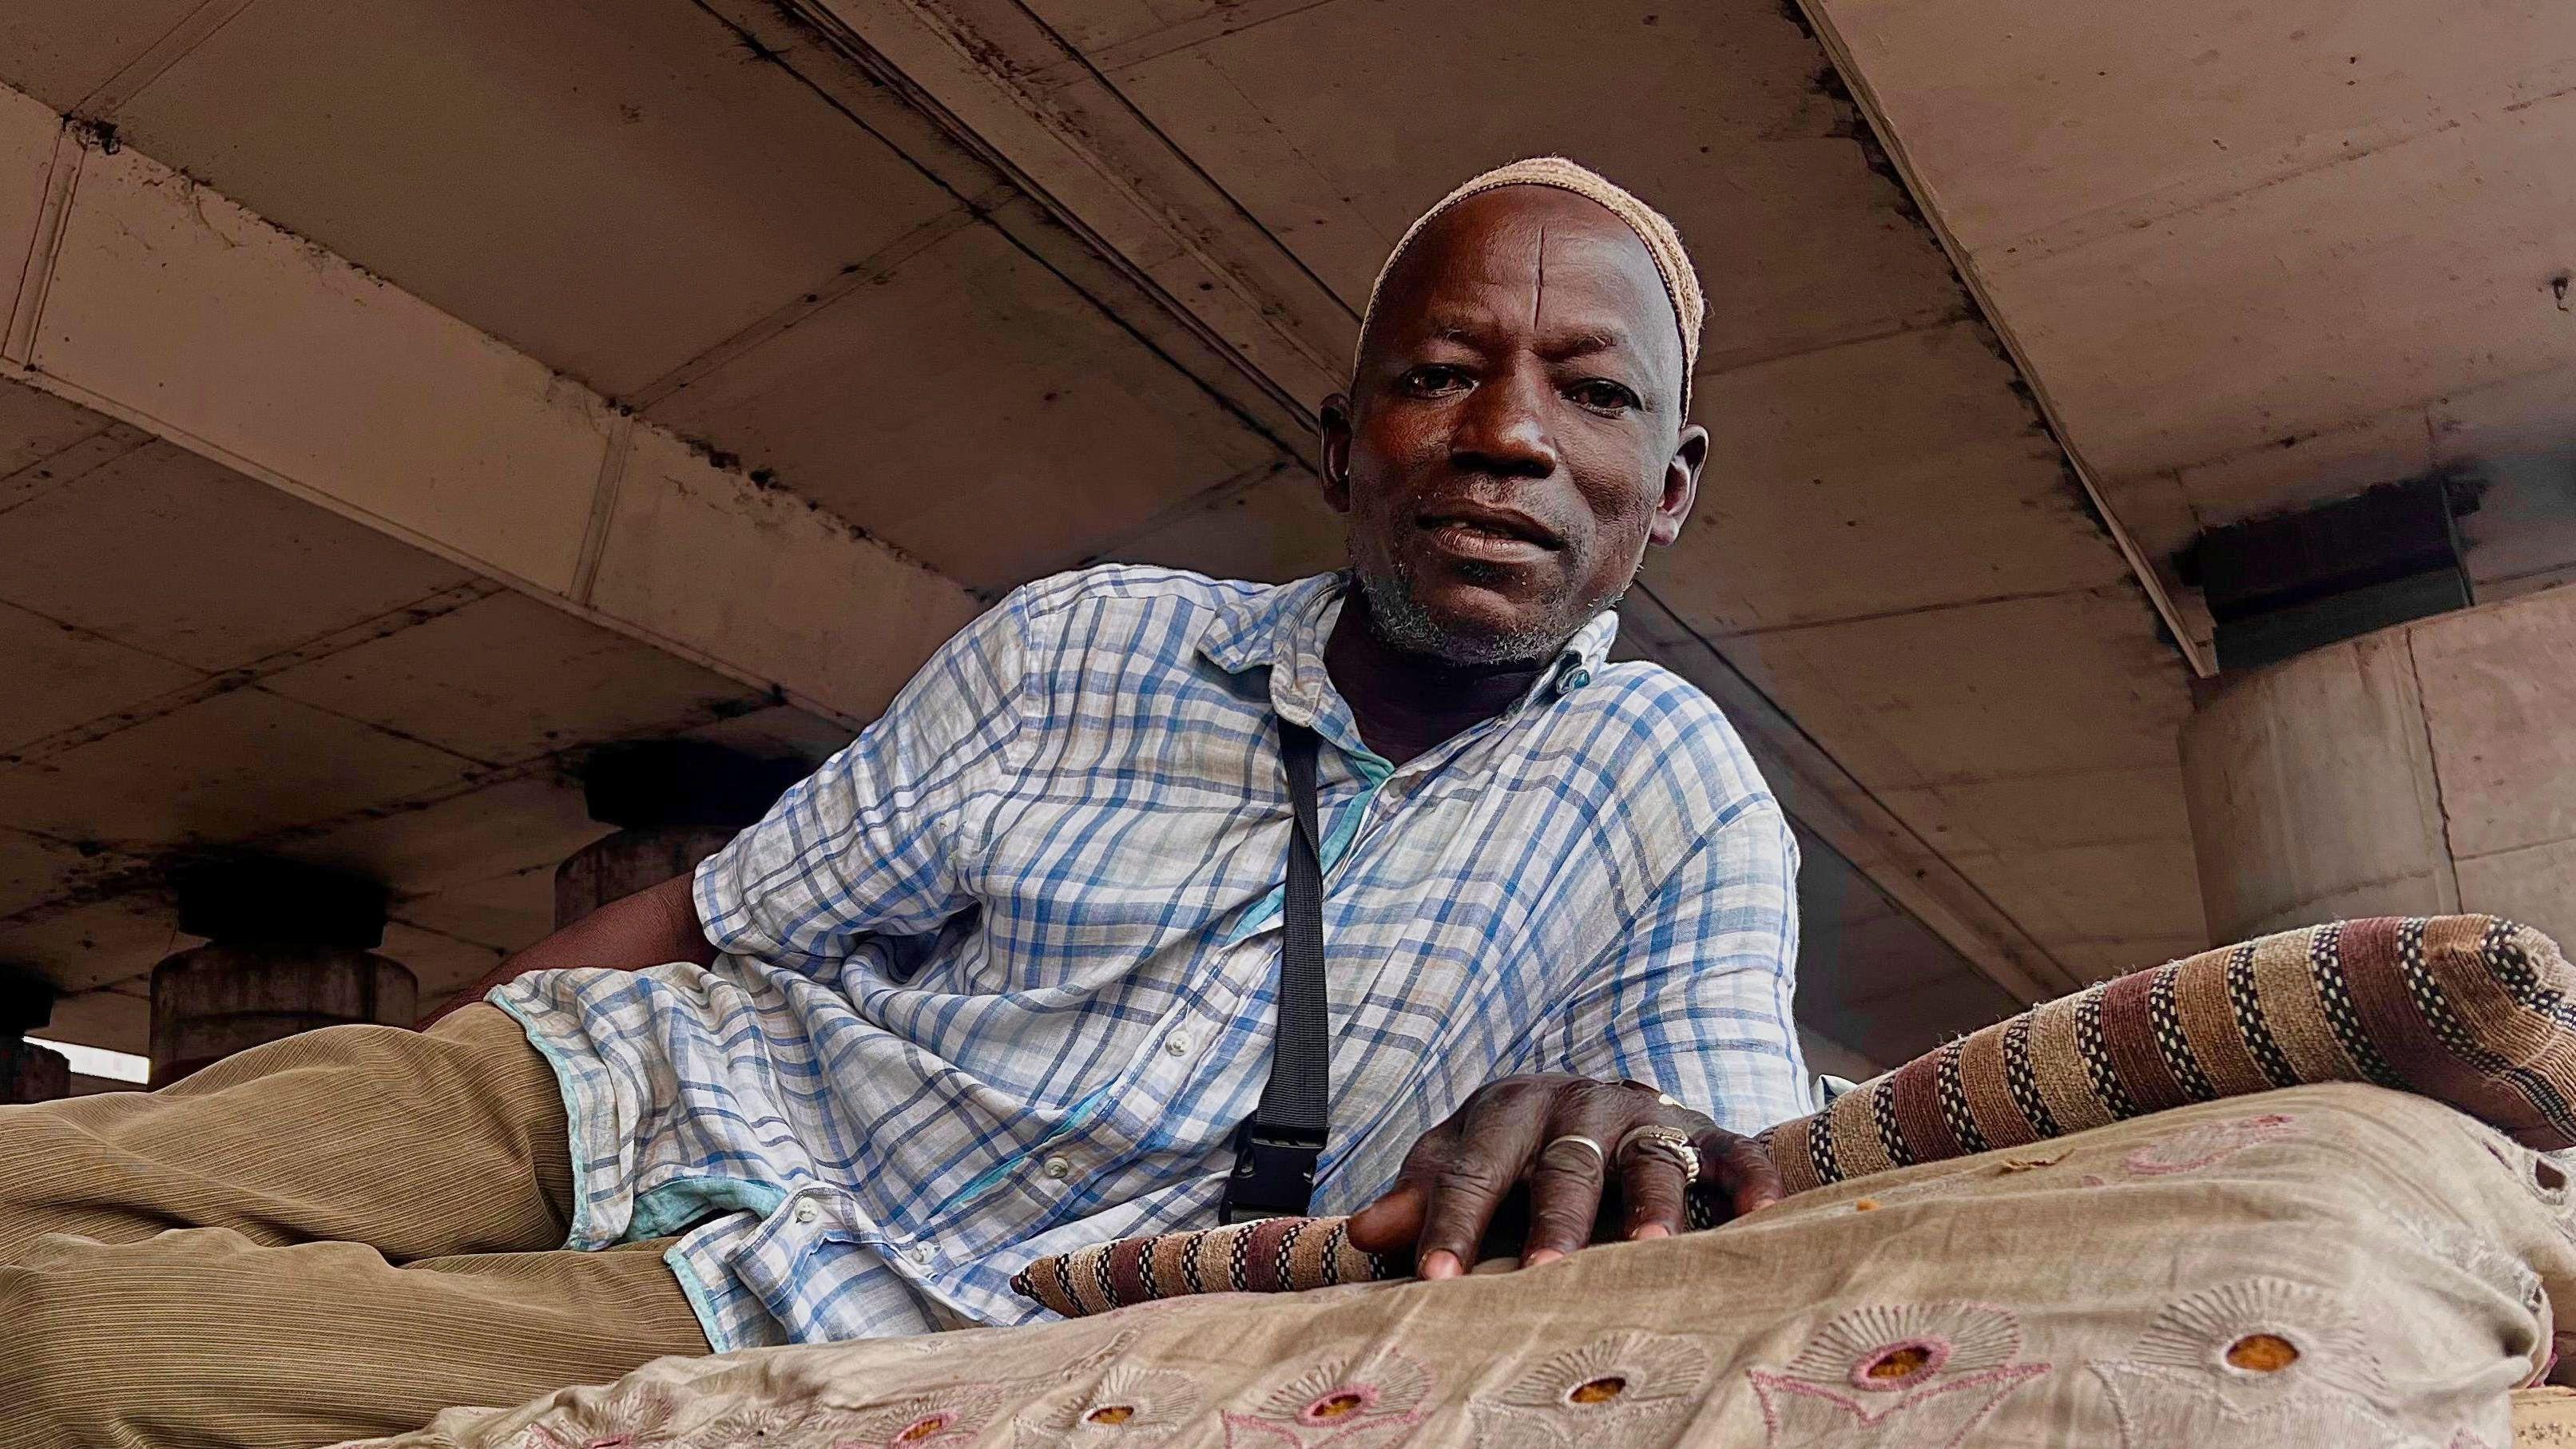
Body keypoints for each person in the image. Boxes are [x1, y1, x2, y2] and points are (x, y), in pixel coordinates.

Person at [0, 157, 1808, 1448]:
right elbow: (718, 918)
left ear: (1667, 487)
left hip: (826, 1296)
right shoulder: (1089, 640)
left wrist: (1624, 1111)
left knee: (61, 1349)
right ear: (1342, 443)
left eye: (1588, 392)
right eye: (1438, 373)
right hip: (619, 1081)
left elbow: (1717, 1148)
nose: (1506, 431)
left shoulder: (1667, 794)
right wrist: (405, 1116)